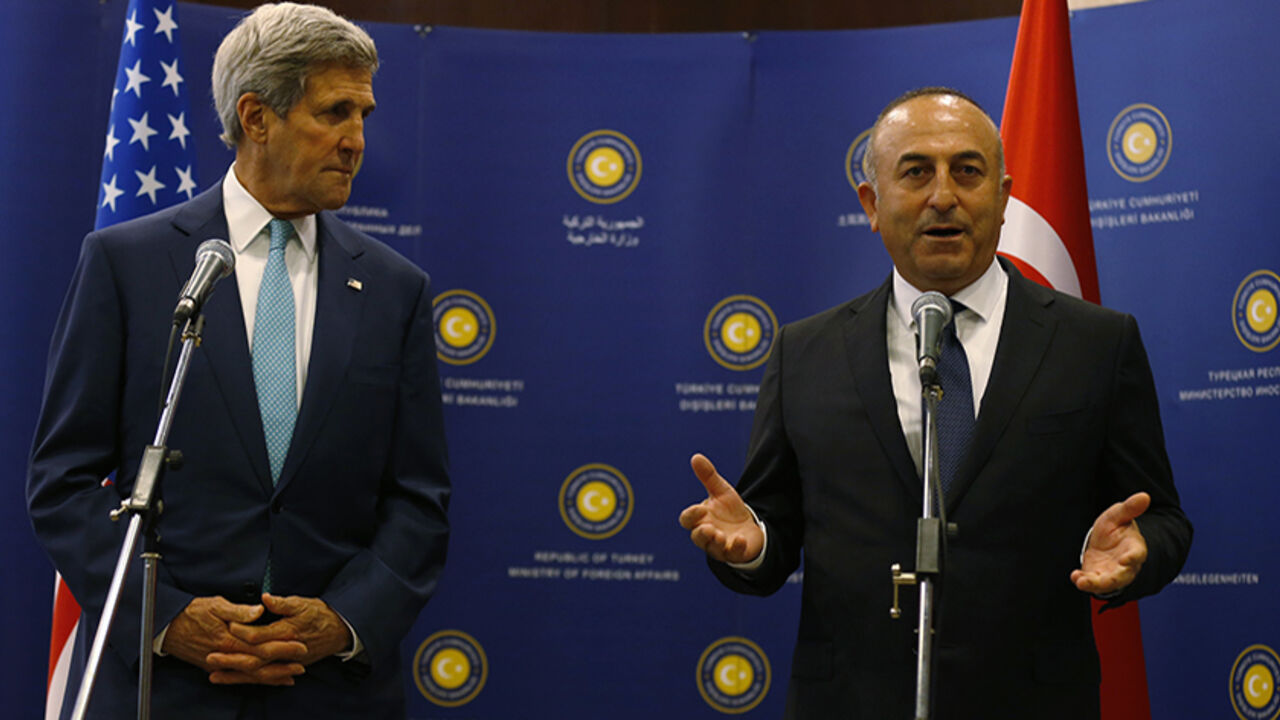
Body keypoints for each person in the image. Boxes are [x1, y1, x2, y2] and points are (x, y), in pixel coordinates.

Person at [678, 87, 1191, 718]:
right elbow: (772, 530)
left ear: (1003, 199)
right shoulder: (803, 353)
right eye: (916, 171)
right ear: (871, 203)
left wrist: (1138, 553)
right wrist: (752, 542)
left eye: (967, 171)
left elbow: (1164, 519)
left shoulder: (1096, 343)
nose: (944, 196)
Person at [27, 4, 450, 718]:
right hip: (165, 691)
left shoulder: (394, 289)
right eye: (335, 112)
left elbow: (419, 501)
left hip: (327, 693)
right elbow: (63, 482)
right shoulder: (128, 264)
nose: (356, 140)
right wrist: (166, 617)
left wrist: (343, 621)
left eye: (364, 116)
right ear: (256, 117)